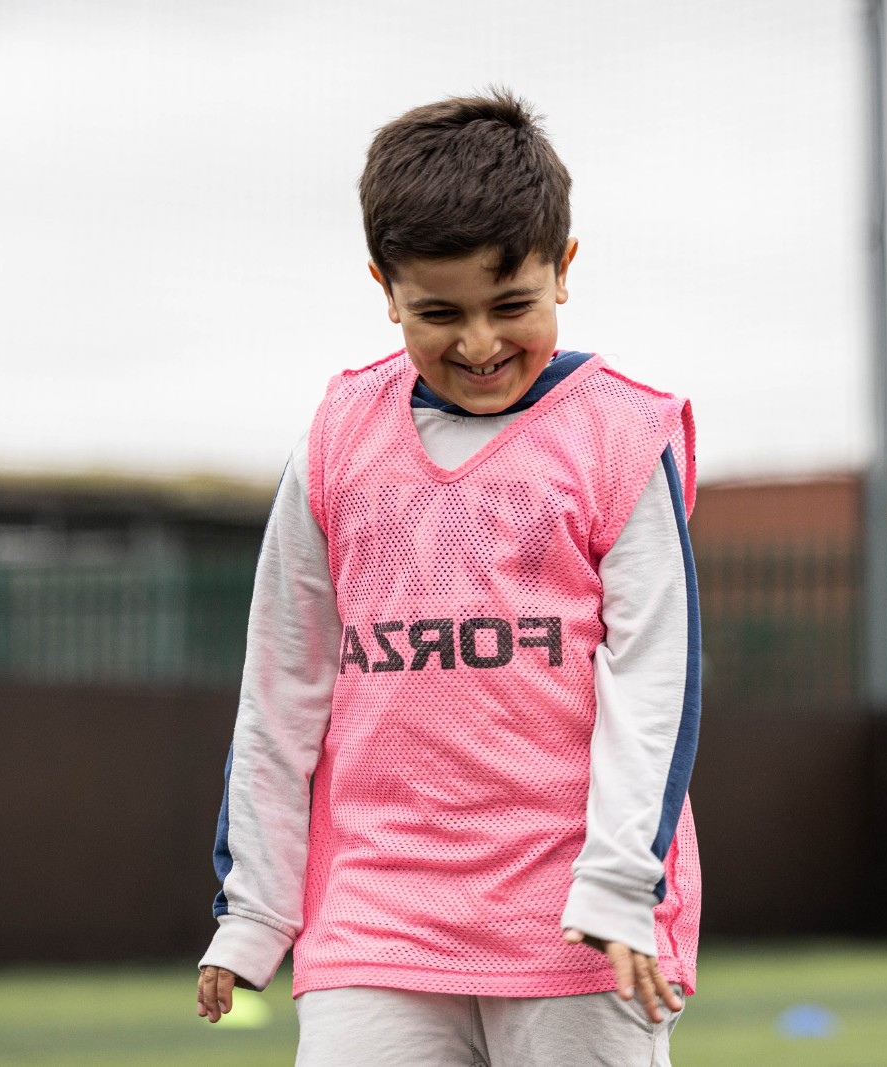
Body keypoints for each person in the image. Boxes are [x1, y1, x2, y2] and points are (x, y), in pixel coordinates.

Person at [194, 89, 702, 1066]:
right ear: (385, 288)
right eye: (438, 313)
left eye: (511, 305)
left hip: (578, 925)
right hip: (376, 923)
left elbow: (655, 686)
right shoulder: (336, 442)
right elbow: (282, 687)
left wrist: (618, 882)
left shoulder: (623, 437)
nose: (478, 344)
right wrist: (255, 907)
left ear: (564, 268)